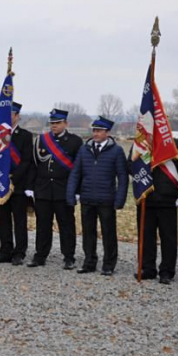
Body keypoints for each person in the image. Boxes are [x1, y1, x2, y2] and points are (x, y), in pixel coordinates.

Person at [66, 116, 128, 276]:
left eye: (99, 131)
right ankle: (89, 262)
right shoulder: (84, 149)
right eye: (94, 130)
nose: (95, 133)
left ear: (107, 132)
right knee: (88, 233)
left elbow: (122, 177)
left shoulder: (116, 151)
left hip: (106, 199)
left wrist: (120, 199)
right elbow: (76, 173)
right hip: (87, 198)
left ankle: (108, 264)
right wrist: (71, 194)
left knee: (108, 233)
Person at [131, 137, 178, 284]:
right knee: (145, 237)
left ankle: (167, 271)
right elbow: (130, 164)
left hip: (168, 199)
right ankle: (147, 268)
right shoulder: (141, 143)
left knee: (168, 238)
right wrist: (142, 162)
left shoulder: (177, 145)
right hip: (146, 197)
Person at [27, 109, 83, 270]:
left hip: (64, 190)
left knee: (66, 226)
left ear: (66, 123)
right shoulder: (41, 140)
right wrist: (30, 187)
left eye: (57, 123)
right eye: (52, 123)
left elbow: (79, 169)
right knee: (43, 225)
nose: (54, 126)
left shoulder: (74, 141)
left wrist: (77, 191)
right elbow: (34, 165)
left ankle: (69, 257)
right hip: (43, 189)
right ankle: (40, 255)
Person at [0, 102, 34, 265]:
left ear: (17, 116)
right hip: (1, 185)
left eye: (10, 114)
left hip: (17, 185)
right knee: (3, 219)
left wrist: (12, 178)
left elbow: (26, 161)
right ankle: (5, 250)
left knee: (19, 220)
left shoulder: (25, 136)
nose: (7, 117)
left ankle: (19, 252)